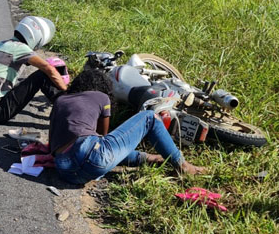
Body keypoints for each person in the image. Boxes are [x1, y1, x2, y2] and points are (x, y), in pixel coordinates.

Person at [49, 69, 205, 184]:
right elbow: (103, 137)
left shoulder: (60, 101)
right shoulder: (101, 97)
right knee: (149, 118)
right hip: (90, 157)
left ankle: (152, 158)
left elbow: (54, 145)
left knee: (102, 151)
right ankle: (183, 166)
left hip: (66, 170)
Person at [0, 16, 68, 124]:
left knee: (23, 81)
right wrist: (65, 89)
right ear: (36, 37)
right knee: (42, 75)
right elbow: (48, 68)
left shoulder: (2, 44)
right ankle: (69, 108)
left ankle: (67, 105)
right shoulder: (20, 48)